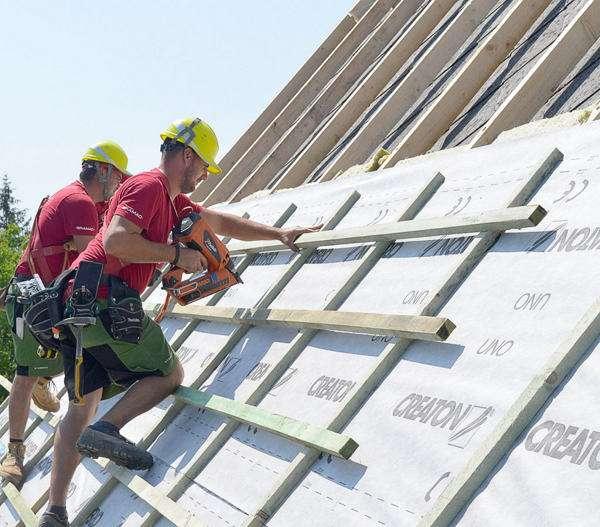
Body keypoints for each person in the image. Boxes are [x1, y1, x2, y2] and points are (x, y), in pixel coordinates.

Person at [39, 118, 319, 527]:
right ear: (187, 156)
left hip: (78, 307)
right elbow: (116, 241)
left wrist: (278, 233)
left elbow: (221, 224)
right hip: (101, 299)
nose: (205, 175)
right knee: (170, 373)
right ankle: (109, 430)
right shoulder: (148, 186)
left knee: (80, 407)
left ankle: (55, 510)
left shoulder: (174, 204)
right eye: (204, 165)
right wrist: (173, 254)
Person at [0, 141, 130, 489]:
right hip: (33, 301)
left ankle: (46, 377)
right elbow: (92, 261)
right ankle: (14, 452)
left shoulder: (73, 198)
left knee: (69, 354)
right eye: (118, 177)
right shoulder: (80, 202)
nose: (119, 186)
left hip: (40, 296)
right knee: (25, 374)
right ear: (103, 171)